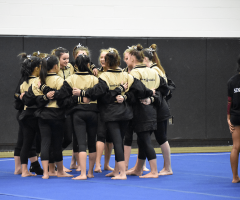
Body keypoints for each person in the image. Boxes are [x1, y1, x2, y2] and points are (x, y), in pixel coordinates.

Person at [73, 48, 155, 180]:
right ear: (117, 62)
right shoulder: (126, 75)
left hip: (111, 114)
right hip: (125, 112)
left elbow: (97, 92)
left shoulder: (104, 76)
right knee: (119, 140)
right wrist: (150, 93)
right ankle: (117, 171)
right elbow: (140, 89)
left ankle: (122, 173)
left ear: (107, 62)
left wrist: (82, 93)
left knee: (117, 141)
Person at [45, 54, 99, 180]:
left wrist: (45, 89)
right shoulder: (95, 79)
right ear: (88, 65)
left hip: (78, 113)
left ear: (75, 66)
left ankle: (83, 174)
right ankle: (90, 172)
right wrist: (87, 95)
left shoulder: (71, 79)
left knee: (81, 143)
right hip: (93, 112)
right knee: (92, 142)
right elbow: (102, 92)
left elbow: (61, 97)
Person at [123, 44, 168, 178]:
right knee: (143, 141)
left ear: (132, 58)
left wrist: (126, 94)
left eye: (128, 57)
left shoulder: (135, 73)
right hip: (151, 109)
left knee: (145, 140)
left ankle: (154, 171)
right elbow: (165, 88)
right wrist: (153, 95)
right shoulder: (154, 71)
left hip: (140, 109)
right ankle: (138, 169)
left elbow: (136, 90)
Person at [142, 44, 174, 175]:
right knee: (144, 137)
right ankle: (142, 165)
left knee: (161, 137)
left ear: (145, 59)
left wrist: (153, 94)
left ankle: (168, 167)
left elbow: (165, 90)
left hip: (159, 108)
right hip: (155, 107)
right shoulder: (154, 69)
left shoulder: (155, 71)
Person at [18, 53, 42, 177]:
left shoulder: (24, 83)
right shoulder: (38, 81)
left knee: (26, 143)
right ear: (37, 68)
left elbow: (22, 97)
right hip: (36, 114)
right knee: (44, 140)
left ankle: (24, 170)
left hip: (25, 114)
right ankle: (51, 168)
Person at [227, 47, 240, 183]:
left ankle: (235, 177)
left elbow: (229, 101)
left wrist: (228, 118)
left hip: (235, 116)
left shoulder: (232, 81)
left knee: (236, 147)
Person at [94, 49, 115, 173]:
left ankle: (106, 164)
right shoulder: (96, 73)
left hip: (112, 108)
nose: (102, 60)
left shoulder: (116, 72)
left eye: (105, 58)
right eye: (101, 57)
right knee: (100, 135)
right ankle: (97, 164)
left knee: (110, 138)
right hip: (100, 108)